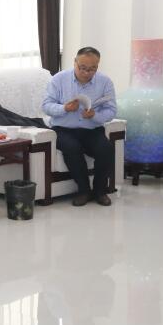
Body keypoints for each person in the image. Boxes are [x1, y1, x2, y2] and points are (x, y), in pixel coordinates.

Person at [41, 47, 117, 206]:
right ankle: (84, 191)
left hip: (92, 129)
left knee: (106, 149)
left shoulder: (105, 82)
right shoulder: (59, 79)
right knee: (72, 147)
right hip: (63, 130)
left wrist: (95, 115)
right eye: (82, 68)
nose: (87, 72)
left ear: (97, 65)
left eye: (92, 69)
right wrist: (64, 108)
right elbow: (46, 106)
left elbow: (111, 110)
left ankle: (100, 191)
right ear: (74, 62)